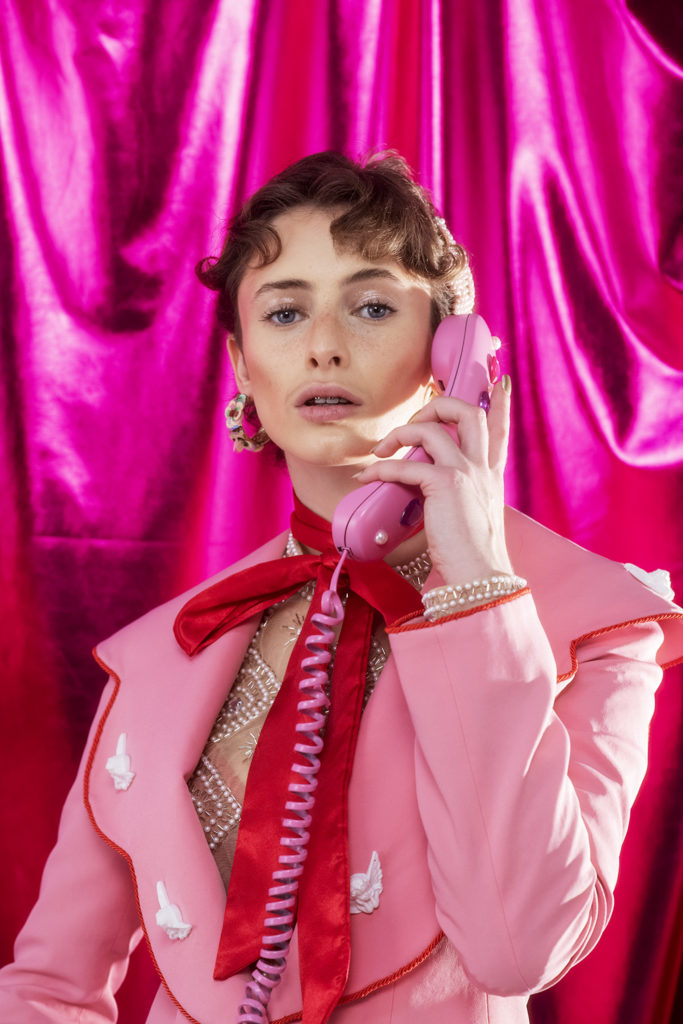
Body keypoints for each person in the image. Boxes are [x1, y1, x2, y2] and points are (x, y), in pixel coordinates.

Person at [1, 150, 682, 1024]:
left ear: (453, 354)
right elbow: (49, 988)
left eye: (371, 307)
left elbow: (518, 949)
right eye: (284, 313)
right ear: (242, 365)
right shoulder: (159, 653)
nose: (323, 344)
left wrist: (478, 586)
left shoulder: (592, 623)